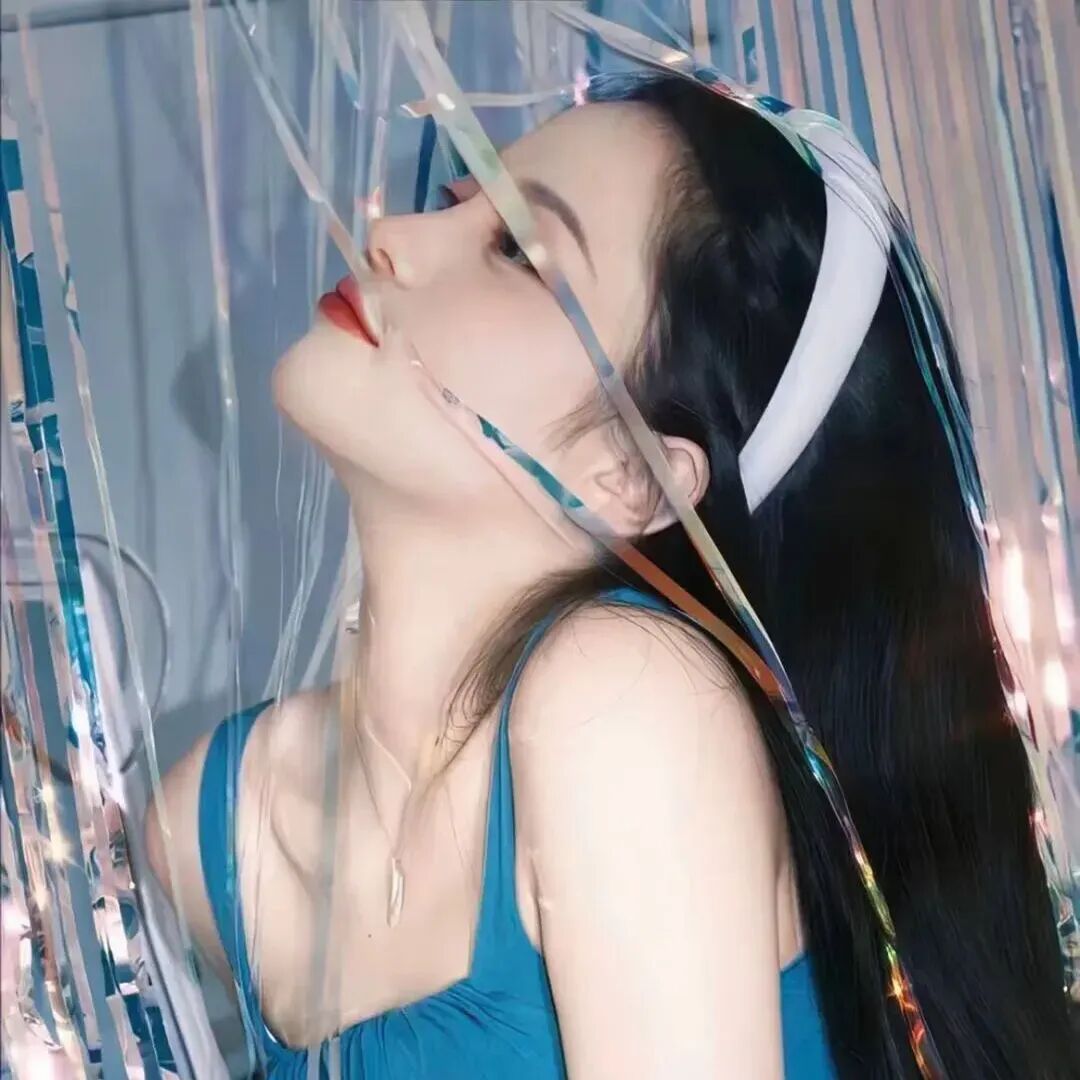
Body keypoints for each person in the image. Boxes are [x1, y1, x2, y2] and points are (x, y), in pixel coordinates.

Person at [146, 74, 1077, 1078]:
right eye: (459, 202)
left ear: (631, 474)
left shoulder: (624, 700)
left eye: (517, 250)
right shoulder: (214, 825)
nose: (391, 238)